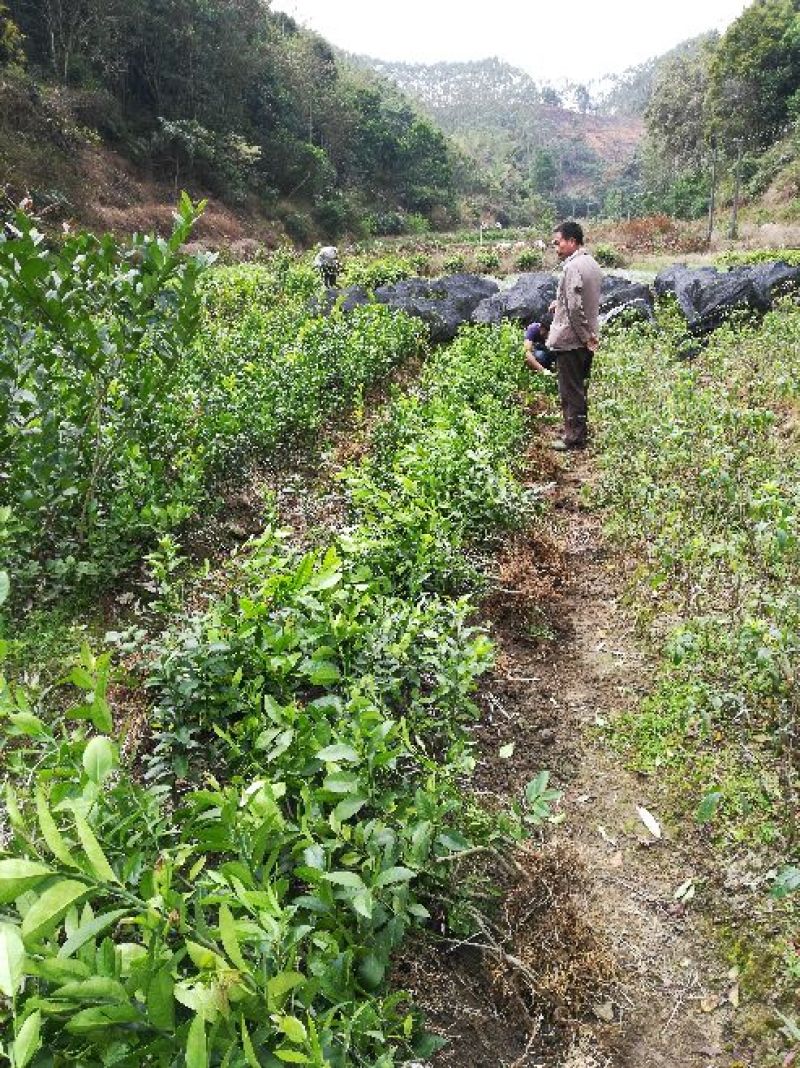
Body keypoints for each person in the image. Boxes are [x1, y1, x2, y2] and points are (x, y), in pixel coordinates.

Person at [546, 221, 603, 451]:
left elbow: (575, 307)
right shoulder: (591, 263)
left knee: (570, 390)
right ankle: (577, 432)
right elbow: (581, 299)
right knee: (578, 386)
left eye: (558, 243)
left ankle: (574, 438)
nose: (556, 247)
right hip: (584, 338)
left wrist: (585, 336)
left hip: (572, 340)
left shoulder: (572, 268)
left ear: (571, 242)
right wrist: (558, 303)